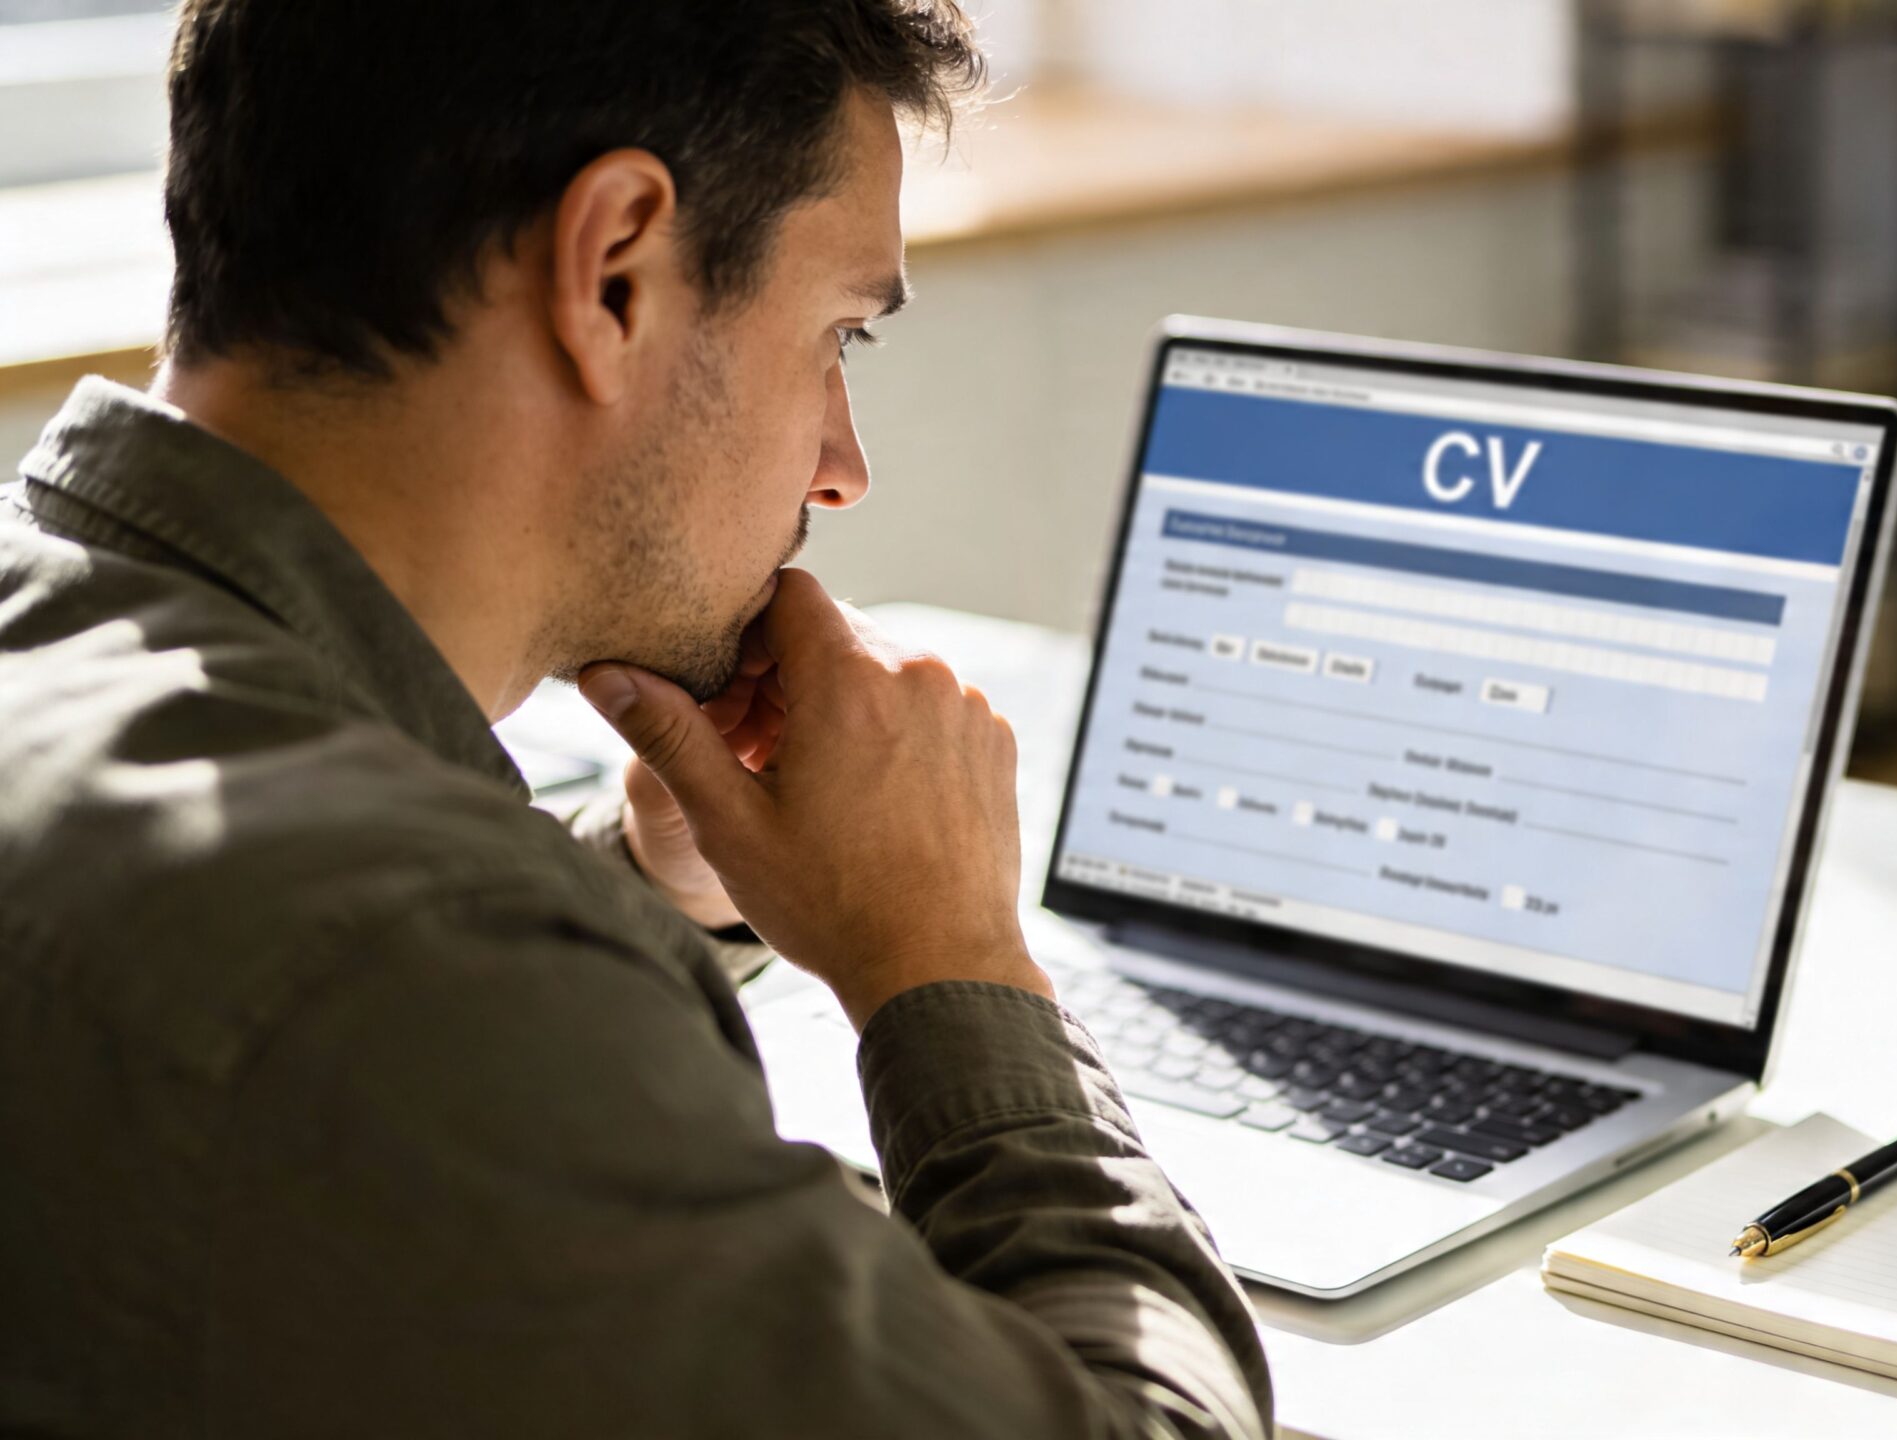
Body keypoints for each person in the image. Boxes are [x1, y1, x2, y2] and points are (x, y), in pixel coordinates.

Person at [0, 1, 1273, 1435]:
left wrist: (642, 883)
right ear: (613, 271)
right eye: (840, 333)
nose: (844, 467)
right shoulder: (406, 982)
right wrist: (952, 966)